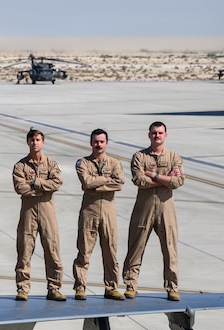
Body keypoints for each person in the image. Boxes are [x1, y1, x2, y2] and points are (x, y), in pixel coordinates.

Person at [123, 121, 184, 300]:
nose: (157, 136)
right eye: (154, 133)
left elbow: (178, 182)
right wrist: (165, 179)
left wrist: (154, 176)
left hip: (166, 208)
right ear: (149, 135)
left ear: (166, 135)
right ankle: (130, 284)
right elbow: (139, 180)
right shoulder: (139, 157)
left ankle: (172, 287)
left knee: (170, 248)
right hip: (144, 207)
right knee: (136, 246)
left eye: (160, 133)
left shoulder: (174, 157)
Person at [12, 128, 65, 301]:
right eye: (32, 140)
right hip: (28, 211)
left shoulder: (51, 164)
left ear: (43, 142)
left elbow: (57, 183)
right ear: (28, 142)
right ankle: (22, 288)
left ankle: (54, 287)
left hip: (47, 211)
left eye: (38, 140)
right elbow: (20, 188)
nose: (35, 143)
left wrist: (35, 183)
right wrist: (43, 188)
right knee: (25, 250)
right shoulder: (20, 165)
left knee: (52, 249)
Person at [72, 129, 125, 301]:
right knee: (84, 251)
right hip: (89, 211)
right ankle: (80, 287)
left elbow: (119, 183)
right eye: (96, 141)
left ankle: (112, 287)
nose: (99, 144)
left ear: (107, 143)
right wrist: (105, 179)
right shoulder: (83, 163)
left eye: (102, 142)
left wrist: (97, 183)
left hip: (108, 211)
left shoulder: (115, 163)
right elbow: (86, 182)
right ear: (91, 143)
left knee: (110, 250)